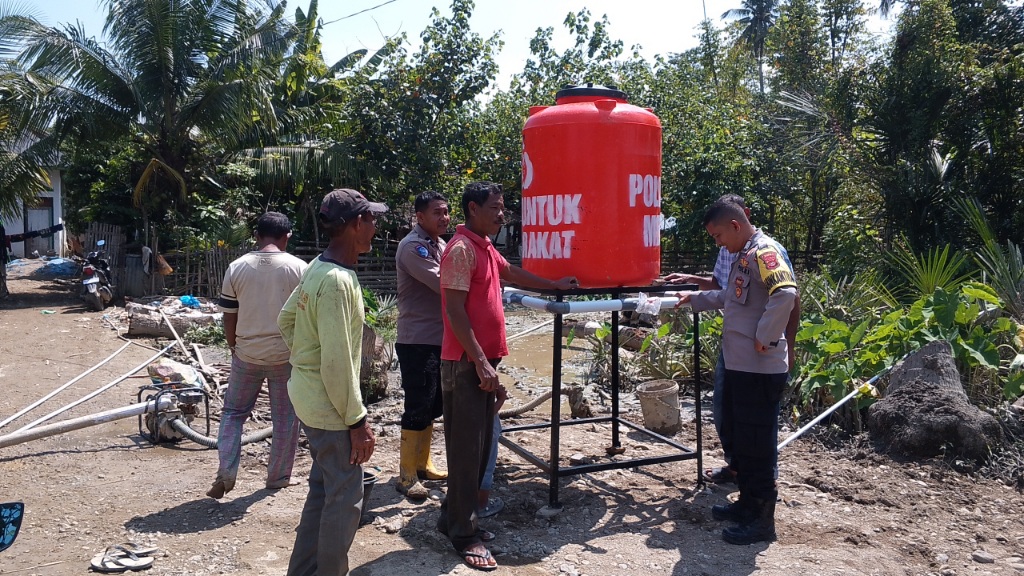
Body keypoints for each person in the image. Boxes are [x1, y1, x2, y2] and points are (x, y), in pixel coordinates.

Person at [437, 181, 577, 571]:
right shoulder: (461, 249)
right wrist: (480, 361)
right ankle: (464, 535)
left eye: (503, 208)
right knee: (467, 450)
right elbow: (454, 310)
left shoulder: (484, 247)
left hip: (481, 362)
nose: (502, 214)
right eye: (495, 207)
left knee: (477, 449)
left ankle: (451, 519)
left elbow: (511, 272)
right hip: (465, 363)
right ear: (472, 209)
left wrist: (552, 285)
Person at [675, 199, 798, 545]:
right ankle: (745, 504)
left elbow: (786, 294)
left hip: (760, 368)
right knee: (744, 441)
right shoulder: (745, 254)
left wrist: (766, 336)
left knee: (758, 445)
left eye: (717, 236)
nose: (718, 244)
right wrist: (694, 299)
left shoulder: (765, 251)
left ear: (734, 224)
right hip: (742, 365)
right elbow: (732, 295)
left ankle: (762, 521)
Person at [278, 188, 387, 576]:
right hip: (330, 409)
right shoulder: (338, 281)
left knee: (324, 491)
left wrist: (304, 362)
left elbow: (286, 320)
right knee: (345, 500)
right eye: (372, 219)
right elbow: (338, 364)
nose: (376, 226)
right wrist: (357, 423)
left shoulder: (318, 267)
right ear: (357, 224)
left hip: (309, 397)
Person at [208, 212, 307, 499]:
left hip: (247, 353)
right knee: (286, 418)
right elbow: (305, 316)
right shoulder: (299, 268)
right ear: (287, 236)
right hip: (284, 356)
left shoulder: (237, 267)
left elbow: (229, 315)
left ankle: (226, 470)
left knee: (233, 414)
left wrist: (233, 346)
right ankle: (277, 477)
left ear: (256, 236)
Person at [395, 191, 451, 500]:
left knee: (433, 405)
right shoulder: (412, 247)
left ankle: (422, 464)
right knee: (418, 404)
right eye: (437, 213)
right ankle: (406, 474)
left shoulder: (439, 245)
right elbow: (444, 282)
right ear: (419, 217)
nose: (444, 217)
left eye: (446, 212)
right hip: (417, 340)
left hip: (438, 338)